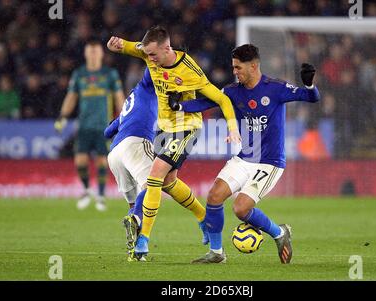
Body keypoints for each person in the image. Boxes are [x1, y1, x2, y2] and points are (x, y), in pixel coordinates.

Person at [169, 44, 320, 264]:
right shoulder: (232, 91)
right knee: (214, 196)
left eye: (238, 67)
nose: (235, 72)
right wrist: (180, 107)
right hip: (244, 157)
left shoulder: (275, 88)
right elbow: (207, 101)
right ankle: (217, 253)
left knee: (240, 208)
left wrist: (309, 83)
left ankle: (279, 233)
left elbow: (311, 97)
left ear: (254, 66)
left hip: (270, 163)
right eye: (233, 67)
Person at [107, 25, 241, 260]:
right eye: (147, 54)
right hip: (165, 129)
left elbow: (221, 98)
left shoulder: (190, 70)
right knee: (169, 181)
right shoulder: (149, 54)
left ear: (167, 48)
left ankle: (143, 242)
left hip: (187, 127)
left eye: (153, 55)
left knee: (155, 176)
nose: (149, 59)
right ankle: (203, 218)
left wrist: (232, 127)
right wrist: (117, 45)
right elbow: (130, 47)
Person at [104, 67, 209, 261]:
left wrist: (121, 123)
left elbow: (107, 131)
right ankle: (136, 220)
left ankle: (135, 252)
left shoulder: (132, 99)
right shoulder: (149, 84)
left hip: (115, 153)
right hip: (135, 144)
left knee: (136, 201)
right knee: (153, 185)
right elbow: (152, 67)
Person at [54, 38, 125, 211]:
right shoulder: (79, 74)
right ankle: (86, 190)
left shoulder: (110, 74)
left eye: (96, 51)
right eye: (90, 51)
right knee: (80, 161)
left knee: (102, 161)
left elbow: (118, 97)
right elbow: (71, 97)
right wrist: (63, 116)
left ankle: (100, 196)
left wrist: (124, 118)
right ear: (86, 53)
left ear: (101, 53)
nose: (93, 54)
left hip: (103, 126)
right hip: (84, 125)